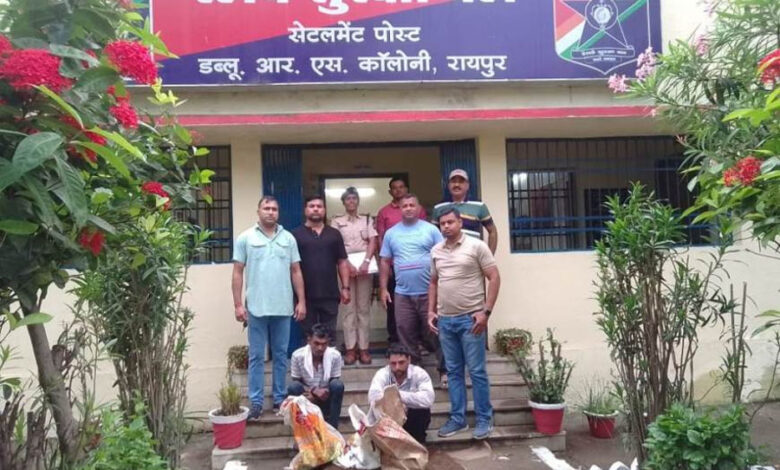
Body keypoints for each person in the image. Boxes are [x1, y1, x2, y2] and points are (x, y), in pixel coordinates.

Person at [428, 207, 501, 440]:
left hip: (471, 320)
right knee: (454, 372)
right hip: (445, 321)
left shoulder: (477, 246)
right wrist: (430, 311)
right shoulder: (436, 250)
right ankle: (458, 419)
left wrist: (486, 312)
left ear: (460, 222)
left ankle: (484, 419)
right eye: (442, 223)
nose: (446, 226)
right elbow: (433, 282)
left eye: (450, 222)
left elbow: (494, 277)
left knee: (477, 371)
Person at [232, 196, 306, 420]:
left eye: (274, 209)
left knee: (281, 355)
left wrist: (301, 301)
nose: (270, 212)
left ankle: (278, 399)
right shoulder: (246, 238)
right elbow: (237, 272)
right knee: (256, 356)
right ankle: (255, 402)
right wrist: (238, 304)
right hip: (256, 307)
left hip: (283, 307)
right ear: (258, 211)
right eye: (266, 208)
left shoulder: (288, 238)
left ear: (278, 213)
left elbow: (296, 271)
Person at [379, 194, 443, 368]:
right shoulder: (391, 233)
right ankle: (414, 369)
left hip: (429, 292)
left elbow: (443, 256)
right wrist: (383, 289)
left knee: (435, 332)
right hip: (403, 294)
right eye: (405, 205)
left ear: (419, 208)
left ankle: (444, 370)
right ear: (400, 209)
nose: (408, 208)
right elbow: (384, 261)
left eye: (412, 205)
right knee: (405, 332)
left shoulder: (431, 230)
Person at [375, 176, 428, 345]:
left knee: (424, 308)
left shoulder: (421, 214)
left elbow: (425, 237)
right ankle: (395, 342)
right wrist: (385, 264)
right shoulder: (384, 212)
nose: (398, 190)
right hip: (394, 267)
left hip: (422, 273)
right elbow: (380, 238)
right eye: (395, 188)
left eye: (401, 187)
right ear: (390, 191)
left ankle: (422, 341)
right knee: (394, 306)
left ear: (406, 189)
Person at [292, 195, 351, 343]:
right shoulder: (295, 235)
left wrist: (345, 288)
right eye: (312, 206)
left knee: (329, 338)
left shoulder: (334, 234)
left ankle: (329, 359)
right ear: (305, 210)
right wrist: (299, 299)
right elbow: (293, 268)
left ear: (324, 210)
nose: (316, 209)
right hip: (305, 297)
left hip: (330, 295)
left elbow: (342, 262)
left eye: (319, 206)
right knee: (308, 339)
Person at [330, 187, 378, 365]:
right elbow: (335, 244)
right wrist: (346, 263)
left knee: (363, 309)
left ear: (358, 201)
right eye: (348, 199)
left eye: (354, 198)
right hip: (344, 265)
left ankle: (364, 348)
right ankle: (350, 349)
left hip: (364, 266)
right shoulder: (336, 221)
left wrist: (366, 261)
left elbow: (373, 241)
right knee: (348, 309)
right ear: (343, 202)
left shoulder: (366, 219)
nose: (351, 201)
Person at [368, 344, 434, 444]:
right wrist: (396, 405)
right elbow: (373, 397)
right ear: (388, 362)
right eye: (393, 363)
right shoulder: (382, 374)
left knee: (422, 411)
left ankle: (417, 442)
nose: (397, 367)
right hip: (388, 421)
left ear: (409, 360)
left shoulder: (419, 373)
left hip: (412, 420)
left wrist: (398, 396)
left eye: (401, 362)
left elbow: (428, 399)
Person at [288, 323, 345, 429]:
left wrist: (322, 393)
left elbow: (334, 380)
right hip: (307, 397)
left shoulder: (335, 356)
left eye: (324, 344)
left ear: (328, 342)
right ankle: (301, 429)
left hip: (326, 397)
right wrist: (313, 391)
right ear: (309, 340)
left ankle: (333, 428)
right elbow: (297, 380)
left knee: (337, 385)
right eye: (316, 343)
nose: (320, 348)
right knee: (293, 387)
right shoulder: (297, 355)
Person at [432, 169, 497, 254]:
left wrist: (489, 255)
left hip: (473, 255)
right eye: (453, 182)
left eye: (461, 182)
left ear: (467, 185)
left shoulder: (479, 206)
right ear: (448, 185)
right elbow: (432, 234)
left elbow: (492, 231)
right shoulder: (438, 207)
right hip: (447, 256)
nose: (456, 185)